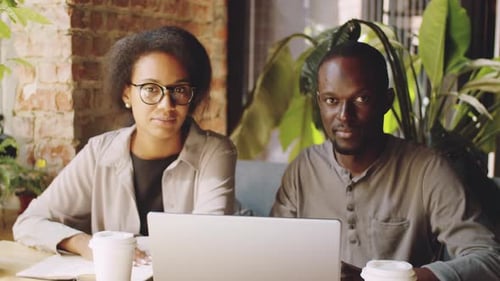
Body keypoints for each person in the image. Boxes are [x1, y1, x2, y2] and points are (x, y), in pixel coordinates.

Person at [270, 41, 500, 281]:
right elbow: (271, 253)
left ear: (386, 101)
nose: (344, 115)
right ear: (319, 102)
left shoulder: (427, 170)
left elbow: (489, 260)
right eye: (331, 100)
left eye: (361, 99)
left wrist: (395, 278)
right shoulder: (303, 170)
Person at [13, 26, 237, 261]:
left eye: (179, 90)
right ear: (126, 94)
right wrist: (85, 243)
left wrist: (121, 246)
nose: (166, 105)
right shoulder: (99, 152)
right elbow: (28, 222)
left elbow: (209, 238)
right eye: (151, 89)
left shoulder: (214, 152)